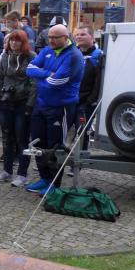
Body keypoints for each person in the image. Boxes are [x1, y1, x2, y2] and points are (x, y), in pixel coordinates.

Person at [25, 24, 84, 195]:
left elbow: (57, 82)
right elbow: (29, 69)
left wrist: (42, 77)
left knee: (55, 146)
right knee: (38, 143)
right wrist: (47, 74)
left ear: (66, 37)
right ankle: (44, 178)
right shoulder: (46, 50)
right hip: (41, 104)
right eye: (49, 37)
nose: (50, 40)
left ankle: (54, 183)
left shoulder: (74, 55)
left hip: (61, 107)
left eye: (55, 37)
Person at [0, 30, 36, 187]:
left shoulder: (31, 57)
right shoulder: (5, 57)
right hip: (5, 101)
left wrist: (30, 104)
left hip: (23, 102)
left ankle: (22, 174)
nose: (14, 43)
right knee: (7, 137)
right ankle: (7, 171)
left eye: (17, 40)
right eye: (11, 40)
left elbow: (35, 82)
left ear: (24, 42)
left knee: (22, 139)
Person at [74, 25, 102, 149]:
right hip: (70, 99)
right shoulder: (73, 53)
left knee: (82, 132)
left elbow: (99, 81)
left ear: (92, 37)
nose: (79, 37)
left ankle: (80, 157)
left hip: (86, 102)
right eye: (77, 35)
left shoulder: (98, 55)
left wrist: (91, 100)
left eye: (83, 34)